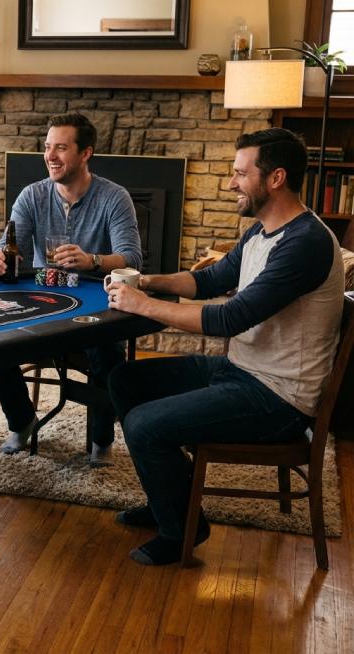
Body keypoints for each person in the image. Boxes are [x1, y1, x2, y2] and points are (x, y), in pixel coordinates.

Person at [106, 127, 343, 566]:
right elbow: (209, 281)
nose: (231, 183)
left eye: (239, 173)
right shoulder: (262, 232)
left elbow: (229, 318)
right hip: (241, 370)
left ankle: (181, 532)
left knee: (144, 424)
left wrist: (143, 305)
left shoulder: (304, 243)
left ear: (275, 179)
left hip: (278, 397)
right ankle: (170, 501)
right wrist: (144, 281)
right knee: (125, 380)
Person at [0, 112, 142, 464]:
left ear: (85, 153)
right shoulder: (32, 195)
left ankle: (100, 440)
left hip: (96, 308)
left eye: (60, 147)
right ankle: (23, 422)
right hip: (45, 303)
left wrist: (92, 261)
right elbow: (8, 244)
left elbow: (132, 258)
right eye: (46, 147)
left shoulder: (114, 197)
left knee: (108, 356)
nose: (50, 156)